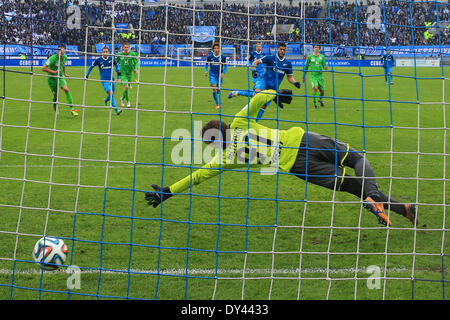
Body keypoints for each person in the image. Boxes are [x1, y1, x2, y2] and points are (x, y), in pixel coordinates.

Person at [145, 90, 417, 227]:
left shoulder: (226, 159)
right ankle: (382, 200)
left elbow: (198, 176)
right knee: (357, 160)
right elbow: (260, 96)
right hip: (304, 139)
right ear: (226, 126)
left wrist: (169, 191)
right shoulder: (239, 122)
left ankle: (401, 208)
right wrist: (279, 95)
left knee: (351, 186)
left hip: (298, 166)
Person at [229, 42, 301, 121]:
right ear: (277, 49)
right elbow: (255, 62)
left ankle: (254, 122)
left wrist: (295, 83)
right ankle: (238, 92)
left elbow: (290, 77)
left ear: (286, 50)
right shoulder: (270, 58)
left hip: (273, 87)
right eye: (281, 49)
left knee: (264, 105)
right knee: (257, 95)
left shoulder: (288, 64)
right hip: (263, 80)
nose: (282, 51)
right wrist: (254, 70)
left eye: (284, 50)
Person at [42, 44, 78, 116]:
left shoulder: (65, 57)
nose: (61, 52)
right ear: (58, 51)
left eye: (62, 50)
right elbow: (43, 68)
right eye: (60, 50)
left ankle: (72, 109)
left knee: (66, 89)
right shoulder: (52, 58)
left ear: (65, 51)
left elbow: (63, 65)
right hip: (52, 78)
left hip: (60, 76)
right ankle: (55, 107)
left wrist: (65, 73)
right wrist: (54, 72)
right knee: (56, 96)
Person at [85, 46, 122, 115]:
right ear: (102, 53)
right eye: (104, 52)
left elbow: (117, 65)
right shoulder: (98, 60)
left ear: (109, 52)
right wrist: (87, 75)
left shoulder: (111, 58)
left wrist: (118, 70)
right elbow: (91, 67)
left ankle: (105, 100)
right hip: (104, 81)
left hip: (112, 80)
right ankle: (117, 110)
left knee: (112, 94)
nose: (105, 53)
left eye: (106, 52)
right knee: (111, 94)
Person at [303, 44, 328, 109]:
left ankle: (319, 100)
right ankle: (315, 104)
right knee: (315, 88)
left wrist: (325, 67)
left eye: (317, 47)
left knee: (322, 92)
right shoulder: (309, 57)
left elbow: (324, 65)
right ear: (313, 48)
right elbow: (306, 67)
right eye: (315, 47)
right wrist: (303, 76)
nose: (316, 48)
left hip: (320, 76)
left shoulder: (322, 57)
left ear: (319, 49)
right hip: (313, 76)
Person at [205, 42, 228, 110]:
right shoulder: (210, 57)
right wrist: (206, 70)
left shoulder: (223, 57)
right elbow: (206, 64)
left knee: (218, 90)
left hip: (219, 75)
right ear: (213, 50)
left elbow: (226, 65)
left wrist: (223, 73)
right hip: (212, 74)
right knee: (214, 87)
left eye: (217, 48)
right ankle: (217, 104)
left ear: (220, 49)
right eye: (215, 48)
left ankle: (217, 93)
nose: (216, 49)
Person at [117, 42, 138, 108]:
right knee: (126, 87)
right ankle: (128, 101)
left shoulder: (132, 54)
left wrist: (136, 69)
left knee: (126, 88)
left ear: (129, 48)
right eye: (125, 47)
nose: (126, 48)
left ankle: (122, 99)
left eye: (127, 47)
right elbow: (115, 62)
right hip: (123, 74)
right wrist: (118, 70)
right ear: (123, 48)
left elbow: (136, 62)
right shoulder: (120, 54)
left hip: (129, 73)